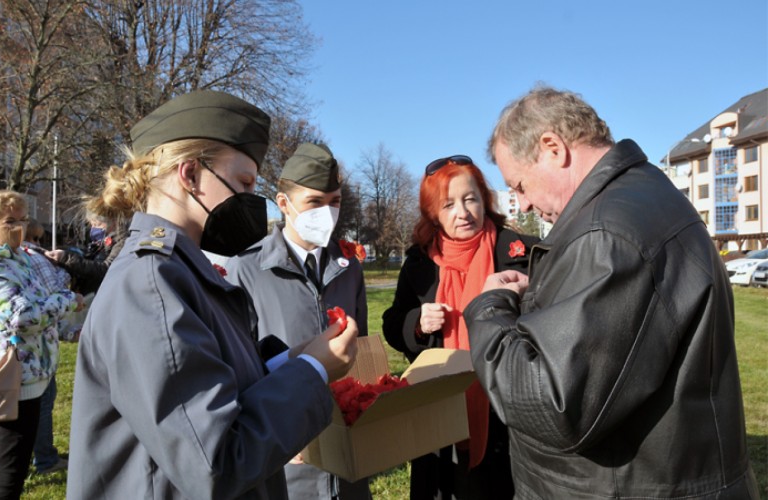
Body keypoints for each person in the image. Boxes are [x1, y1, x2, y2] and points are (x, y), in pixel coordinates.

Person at [464, 86, 759, 499]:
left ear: (553, 147)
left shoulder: (608, 233)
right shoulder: (636, 200)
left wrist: (488, 308)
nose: (523, 205)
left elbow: (553, 407)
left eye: (520, 185)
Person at [66, 90, 359, 500]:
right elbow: (217, 461)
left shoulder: (178, 271)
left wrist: (289, 361)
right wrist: (313, 369)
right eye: (242, 182)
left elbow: (215, 385)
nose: (250, 200)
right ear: (189, 175)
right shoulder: (151, 284)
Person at [382, 156, 537, 499]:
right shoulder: (419, 261)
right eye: (448, 204)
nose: (463, 212)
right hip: (439, 411)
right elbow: (392, 325)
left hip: (506, 415)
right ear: (433, 213)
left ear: (484, 200)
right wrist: (417, 324)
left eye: (470, 199)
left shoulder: (519, 253)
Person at [225, 142, 370, 500]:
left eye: (334, 202)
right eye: (314, 202)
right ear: (284, 203)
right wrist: (279, 428)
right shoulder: (245, 269)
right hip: (286, 461)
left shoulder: (348, 267)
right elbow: (238, 372)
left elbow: (361, 351)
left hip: (348, 455)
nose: (327, 213)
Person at [0, 190, 81, 499]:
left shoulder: (18, 257)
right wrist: (68, 300)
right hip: (14, 377)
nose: (19, 227)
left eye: (23, 219)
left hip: (30, 374)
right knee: (11, 468)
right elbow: (23, 317)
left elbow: (39, 302)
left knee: (10, 461)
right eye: (9, 221)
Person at [22, 221, 78, 475]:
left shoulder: (6, 259)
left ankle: (19, 459)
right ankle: (44, 458)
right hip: (38, 349)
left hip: (10, 350)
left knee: (11, 412)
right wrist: (68, 272)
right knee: (42, 404)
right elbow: (54, 295)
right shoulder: (37, 259)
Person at [45, 210, 125, 295]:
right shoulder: (101, 241)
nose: (94, 228)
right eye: (92, 225)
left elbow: (105, 269)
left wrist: (66, 258)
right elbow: (89, 263)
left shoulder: (121, 241)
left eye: (97, 224)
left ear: (113, 222)